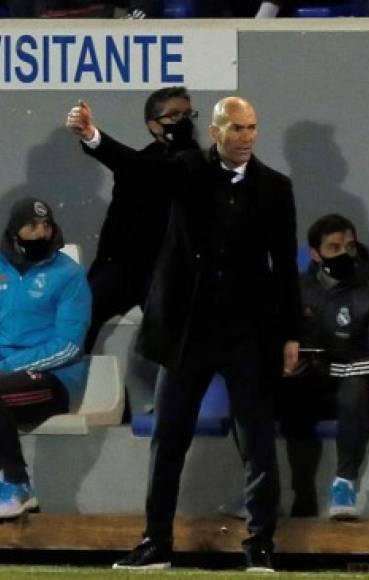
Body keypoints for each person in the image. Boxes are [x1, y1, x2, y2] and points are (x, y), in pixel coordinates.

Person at [66, 96, 300, 572]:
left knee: (256, 439)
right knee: (169, 439)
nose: (247, 136)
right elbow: (136, 170)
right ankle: (156, 542)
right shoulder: (187, 170)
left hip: (247, 333)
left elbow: (284, 269)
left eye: (253, 127)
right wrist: (93, 136)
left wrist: (290, 333)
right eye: (237, 128)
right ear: (215, 132)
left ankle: (260, 543)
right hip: (188, 331)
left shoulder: (276, 188)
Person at [0, 198, 91, 520]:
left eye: (46, 226)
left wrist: (5, 368)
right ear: (15, 231)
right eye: (32, 226)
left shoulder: (69, 275)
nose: (40, 233)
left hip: (56, 377)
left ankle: (19, 484)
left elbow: (69, 345)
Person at [281, 214, 369, 519]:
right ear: (316, 254)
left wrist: (333, 368)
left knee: (353, 386)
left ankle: (344, 484)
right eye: (334, 248)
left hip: (360, 385)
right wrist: (286, 362)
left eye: (349, 246)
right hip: (311, 381)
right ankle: (265, 488)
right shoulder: (296, 289)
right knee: (255, 386)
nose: (345, 254)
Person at [77, 86, 199, 352]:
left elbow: (147, 170)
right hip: (121, 267)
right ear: (153, 125)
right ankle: (59, 387)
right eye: (175, 115)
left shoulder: (197, 163)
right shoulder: (140, 161)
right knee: (78, 320)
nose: (184, 121)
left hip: (166, 273)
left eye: (188, 114)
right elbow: (135, 166)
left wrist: (94, 137)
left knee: (175, 347)